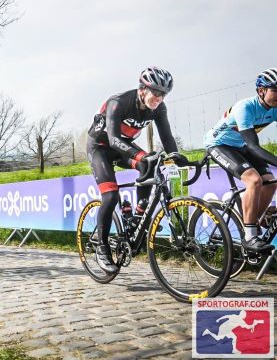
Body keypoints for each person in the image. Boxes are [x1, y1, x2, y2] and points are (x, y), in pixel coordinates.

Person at [86, 67, 187, 273]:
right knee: (111, 196)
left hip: (122, 147)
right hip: (101, 147)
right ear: (142, 89)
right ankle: (102, 248)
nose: (159, 98)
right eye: (156, 92)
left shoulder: (159, 108)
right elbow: (113, 139)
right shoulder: (119, 102)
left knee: (149, 164)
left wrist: (176, 156)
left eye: (164, 94)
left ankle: (138, 217)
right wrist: (141, 155)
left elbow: (166, 136)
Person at [204, 68, 277, 253]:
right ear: (261, 91)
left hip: (241, 146)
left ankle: (253, 223)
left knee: (270, 182)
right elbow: (253, 146)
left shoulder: (274, 108)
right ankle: (250, 237)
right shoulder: (244, 107)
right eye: (275, 90)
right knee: (254, 180)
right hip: (220, 145)